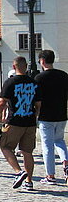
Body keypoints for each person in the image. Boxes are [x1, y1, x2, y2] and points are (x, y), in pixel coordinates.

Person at [0, 56, 41, 190]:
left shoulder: (10, 82)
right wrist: (35, 116)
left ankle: (18, 172)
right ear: (26, 67)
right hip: (30, 122)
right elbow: (38, 104)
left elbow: (2, 102)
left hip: (15, 121)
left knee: (4, 145)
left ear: (14, 67)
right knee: (27, 152)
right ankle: (29, 182)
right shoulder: (34, 83)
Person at [35, 50, 68, 184]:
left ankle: (50, 175)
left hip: (46, 116)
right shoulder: (64, 76)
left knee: (47, 146)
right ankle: (65, 162)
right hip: (61, 114)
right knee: (59, 141)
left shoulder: (39, 78)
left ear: (42, 61)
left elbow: (36, 99)